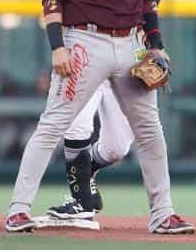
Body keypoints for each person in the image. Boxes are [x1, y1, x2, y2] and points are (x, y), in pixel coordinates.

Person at [5, 0, 195, 235]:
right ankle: (18, 209)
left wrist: (155, 44)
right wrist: (57, 46)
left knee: (150, 131)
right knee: (52, 124)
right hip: (83, 42)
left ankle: (163, 213)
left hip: (131, 44)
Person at [46, 79, 135, 220]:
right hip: (89, 64)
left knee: (116, 148)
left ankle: (87, 174)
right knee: (76, 127)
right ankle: (82, 202)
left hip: (121, 71)